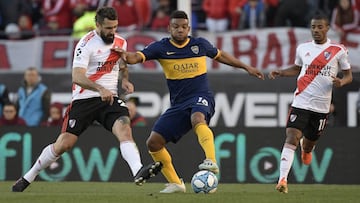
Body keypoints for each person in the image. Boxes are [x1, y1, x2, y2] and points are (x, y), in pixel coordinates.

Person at [12, 6, 162, 192]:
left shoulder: (121, 41)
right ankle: (29, 176)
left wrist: (125, 80)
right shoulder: (85, 44)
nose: (112, 31)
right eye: (108, 28)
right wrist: (99, 88)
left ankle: (138, 170)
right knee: (64, 145)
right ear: (97, 25)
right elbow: (77, 76)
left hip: (109, 99)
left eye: (115, 27)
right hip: (85, 99)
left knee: (124, 129)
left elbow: (122, 63)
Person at [112, 10, 265, 193]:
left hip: (201, 96)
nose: (180, 30)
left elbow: (221, 55)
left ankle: (211, 161)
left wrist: (246, 67)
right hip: (178, 104)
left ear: (188, 28)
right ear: (169, 28)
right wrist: (124, 55)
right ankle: (176, 183)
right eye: (176, 27)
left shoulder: (199, 44)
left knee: (198, 118)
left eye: (184, 27)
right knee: (153, 143)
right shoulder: (161, 48)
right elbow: (135, 57)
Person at [268, 12, 353, 194]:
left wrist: (341, 82)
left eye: (320, 27)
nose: (316, 30)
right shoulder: (303, 48)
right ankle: (282, 180)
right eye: (313, 27)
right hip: (301, 101)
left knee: (308, 144)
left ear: (327, 28)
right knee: (291, 137)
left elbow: (348, 75)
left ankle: (307, 151)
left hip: (321, 107)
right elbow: (298, 68)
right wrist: (281, 72)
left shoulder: (338, 51)